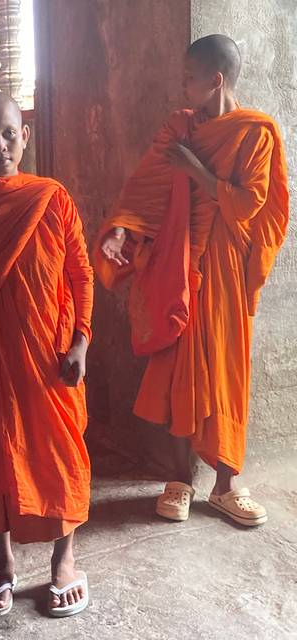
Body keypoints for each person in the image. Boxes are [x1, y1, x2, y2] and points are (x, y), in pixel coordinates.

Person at [96, 34, 289, 527]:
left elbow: (249, 205)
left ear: (215, 80)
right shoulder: (179, 126)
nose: (181, 84)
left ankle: (225, 485)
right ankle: (179, 479)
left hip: (223, 266)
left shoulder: (254, 133)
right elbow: (148, 186)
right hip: (176, 263)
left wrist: (198, 171)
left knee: (225, 370)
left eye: (188, 76)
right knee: (173, 365)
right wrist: (121, 229)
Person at [0, 92, 93, 618]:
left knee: (58, 457)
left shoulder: (51, 197)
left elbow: (80, 273)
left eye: (8, 133)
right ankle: (2, 565)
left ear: (24, 133)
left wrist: (82, 341)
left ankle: (64, 562)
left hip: (51, 359)